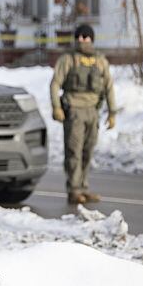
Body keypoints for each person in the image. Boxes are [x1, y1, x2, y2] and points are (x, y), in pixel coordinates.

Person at [50, 24, 115, 204]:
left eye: (85, 37)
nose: (81, 40)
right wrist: (56, 107)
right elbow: (55, 83)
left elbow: (108, 86)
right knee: (74, 151)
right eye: (79, 37)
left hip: (92, 111)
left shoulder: (100, 60)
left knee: (88, 151)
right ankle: (74, 189)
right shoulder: (68, 59)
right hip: (74, 111)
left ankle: (84, 187)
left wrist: (112, 113)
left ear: (91, 39)